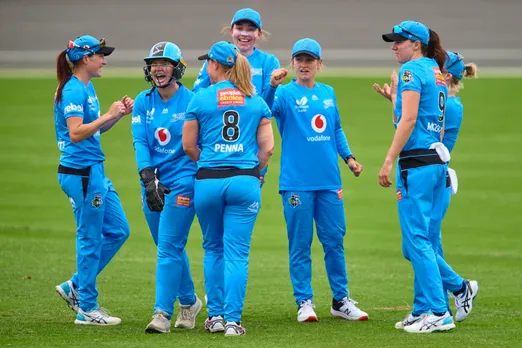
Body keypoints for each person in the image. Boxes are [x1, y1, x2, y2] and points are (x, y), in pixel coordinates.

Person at [373, 50, 480, 328]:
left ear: (444, 76)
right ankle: (424, 307)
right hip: (434, 174)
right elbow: (407, 122)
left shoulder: (449, 106)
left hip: (429, 173)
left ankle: (456, 290)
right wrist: (397, 101)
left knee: (420, 245)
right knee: (419, 246)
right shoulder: (445, 101)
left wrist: (400, 100)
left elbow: (411, 127)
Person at [268, 38, 368, 323]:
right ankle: (304, 302)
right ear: (292, 63)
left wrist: (349, 158)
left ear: (318, 64)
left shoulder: (328, 93)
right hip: (297, 183)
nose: (304, 64)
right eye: (299, 59)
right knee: (300, 244)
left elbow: (335, 129)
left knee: (335, 240)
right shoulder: (285, 94)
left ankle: (341, 300)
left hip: (328, 181)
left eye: (309, 60)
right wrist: (272, 85)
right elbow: (263, 109)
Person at [182, 41, 274, 336]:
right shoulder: (256, 100)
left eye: (208, 62)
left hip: (208, 181)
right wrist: (254, 172)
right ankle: (234, 321)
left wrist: (208, 162)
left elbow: (188, 146)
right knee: (237, 253)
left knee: (212, 248)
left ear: (215, 65)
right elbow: (268, 149)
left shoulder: (199, 99)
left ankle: (216, 317)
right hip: (245, 182)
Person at [378, 21, 455, 333]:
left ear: (416, 44)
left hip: (417, 163)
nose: (394, 46)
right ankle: (423, 308)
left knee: (417, 239)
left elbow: (408, 120)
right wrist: (395, 101)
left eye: (399, 41)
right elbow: (425, 116)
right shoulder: (436, 71)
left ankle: (440, 311)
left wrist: (388, 160)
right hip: (434, 160)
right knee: (422, 237)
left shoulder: (412, 71)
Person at [53, 35, 132, 325]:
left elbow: (92, 131)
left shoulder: (87, 87)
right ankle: (87, 307)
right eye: (100, 55)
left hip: (94, 171)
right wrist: (107, 115)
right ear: (86, 59)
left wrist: (117, 116)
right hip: (82, 174)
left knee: (119, 230)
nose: (104, 60)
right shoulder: (73, 90)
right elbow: (75, 132)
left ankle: (74, 285)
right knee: (89, 238)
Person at [131, 42, 202, 334]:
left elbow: (197, 144)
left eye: (165, 63)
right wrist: (148, 179)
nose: (158, 69)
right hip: (152, 184)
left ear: (177, 67)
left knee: (168, 247)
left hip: (184, 181)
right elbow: (140, 142)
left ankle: (161, 313)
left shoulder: (192, 101)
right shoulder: (142, 101)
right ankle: (189, 302)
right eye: (154, 63)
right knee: (168, 246)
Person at [193, 7, 285, 186]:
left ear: (259, 33)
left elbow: (266, 110)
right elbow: (196, 97)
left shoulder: (268, 62)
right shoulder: (215, 58)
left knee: (243, 202)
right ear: (231, 31)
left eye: (250, 29)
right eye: (240, 28)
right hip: (216, 142)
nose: (244, 34)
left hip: (251, 145)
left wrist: (272, 86)